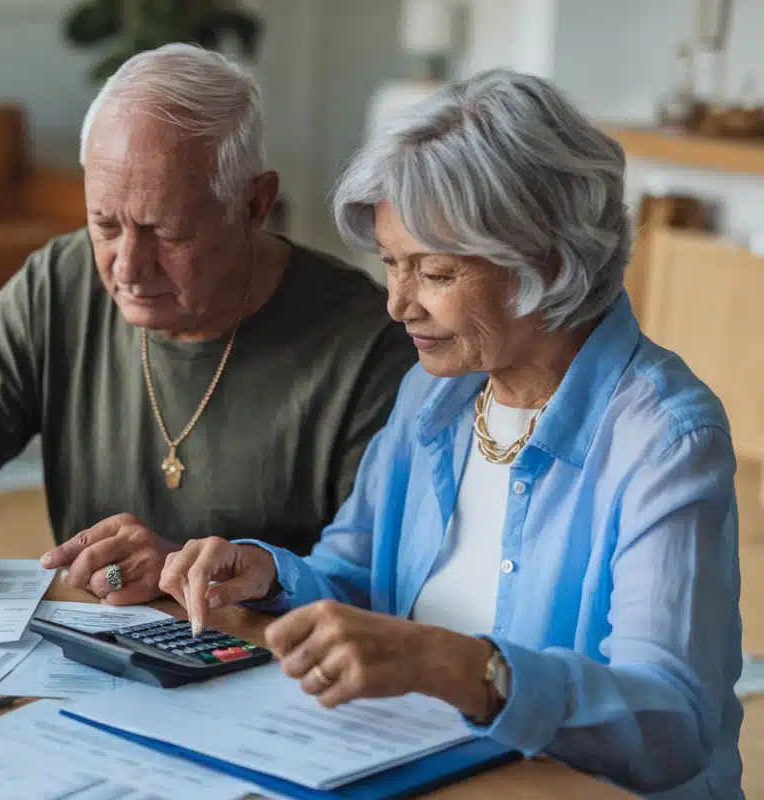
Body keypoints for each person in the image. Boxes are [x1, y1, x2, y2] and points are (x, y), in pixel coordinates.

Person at [160, 68, 743, 798]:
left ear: (547, 262)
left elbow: (671, 725)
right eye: (392, 266)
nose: (399, 304)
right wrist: (268, 572)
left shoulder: (664, 437)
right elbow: (354, 579)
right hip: (421, 770)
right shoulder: (434, 396)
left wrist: (460, 667)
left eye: (434, 272)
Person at [0, 44, 416, 607]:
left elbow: (377, 588)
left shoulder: (367, 347)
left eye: (166, 233)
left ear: (254, 205)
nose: (127, 267)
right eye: (105, 224)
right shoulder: (59, 284)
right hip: (90, 663)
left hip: (278, 673)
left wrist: (188, 573)